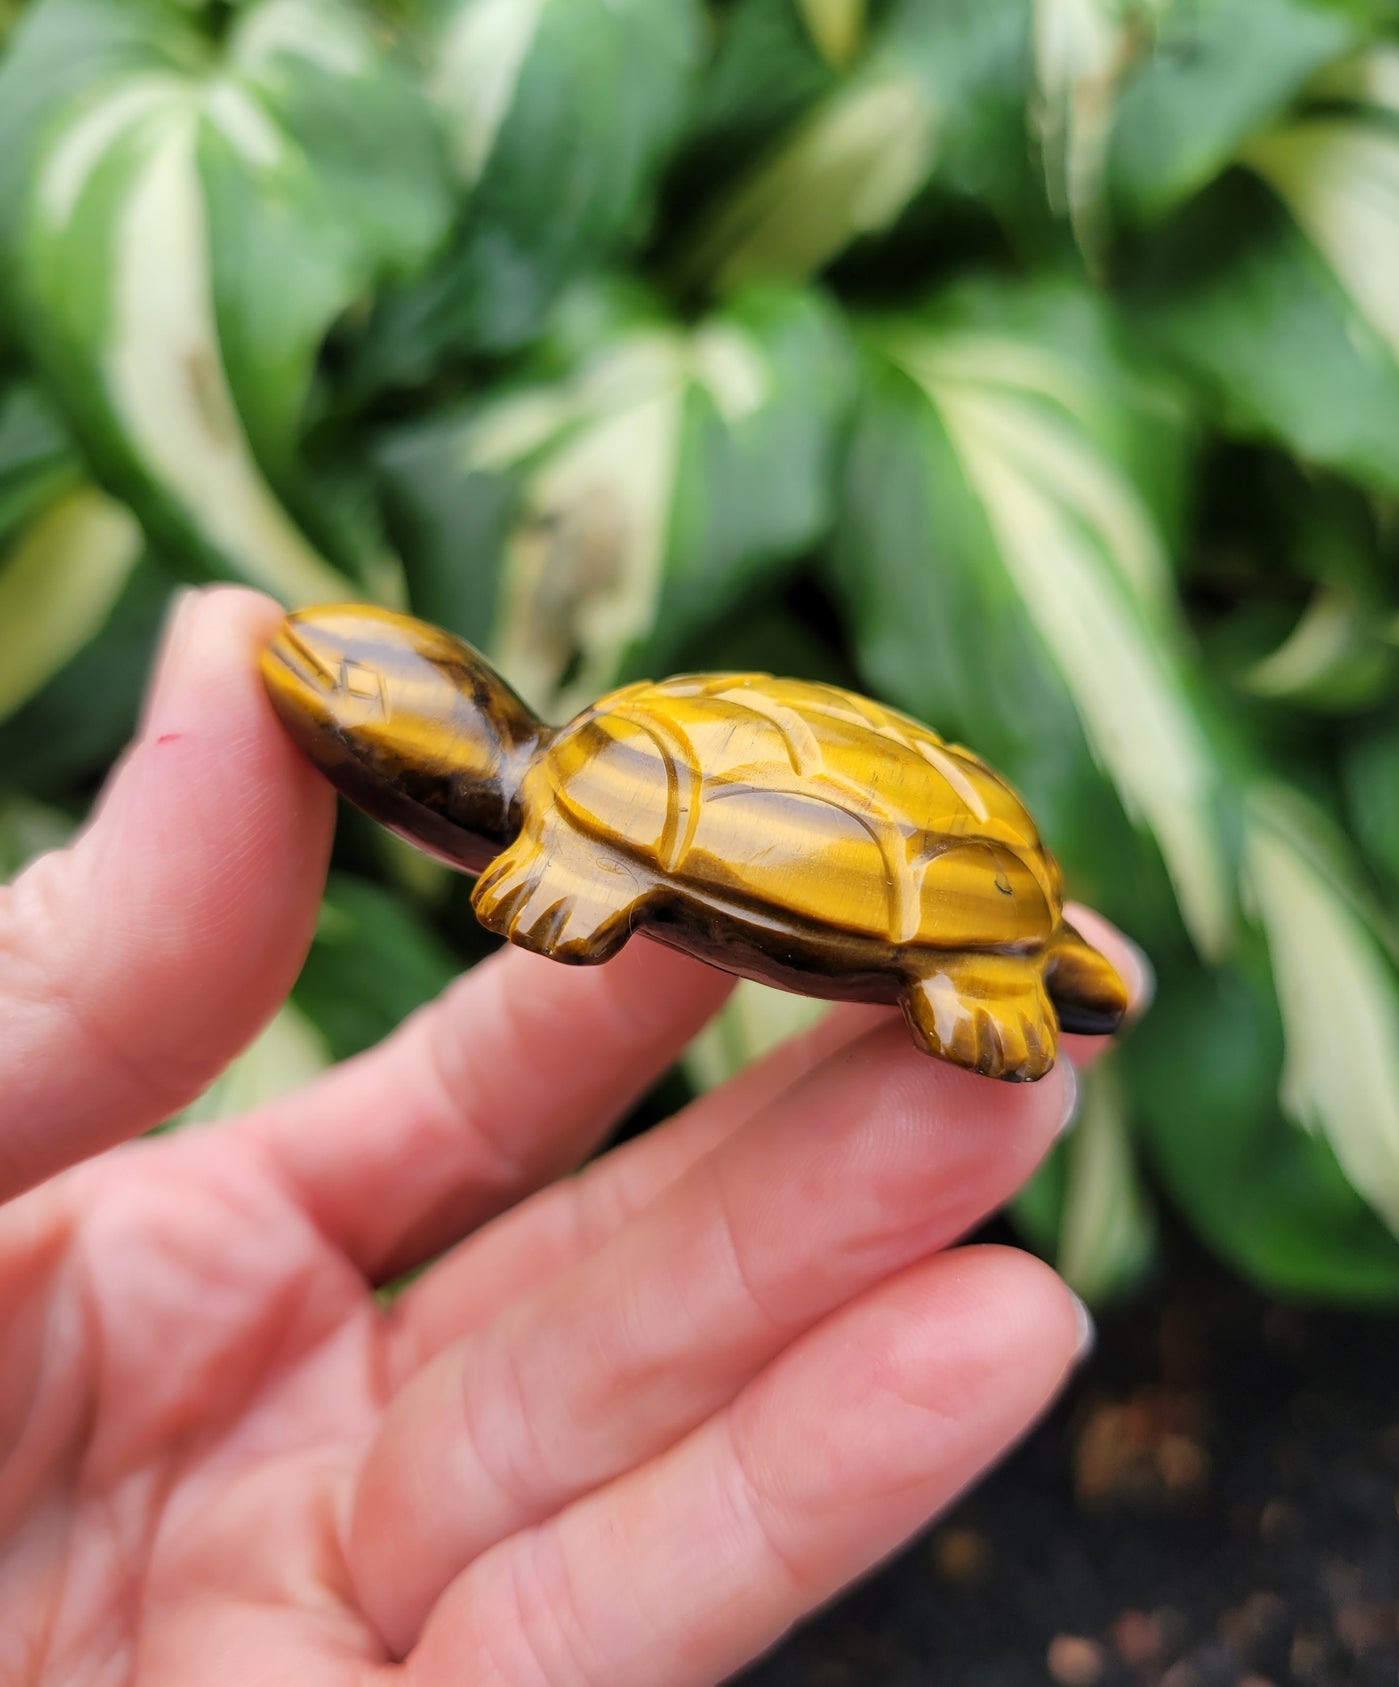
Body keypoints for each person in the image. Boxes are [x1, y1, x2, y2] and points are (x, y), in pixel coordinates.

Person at [0, 588, 1146, 1685]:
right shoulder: (604, 764)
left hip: (938, 871)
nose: (348, 720)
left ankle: (982, 960)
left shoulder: (597, 782)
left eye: (361, 701)